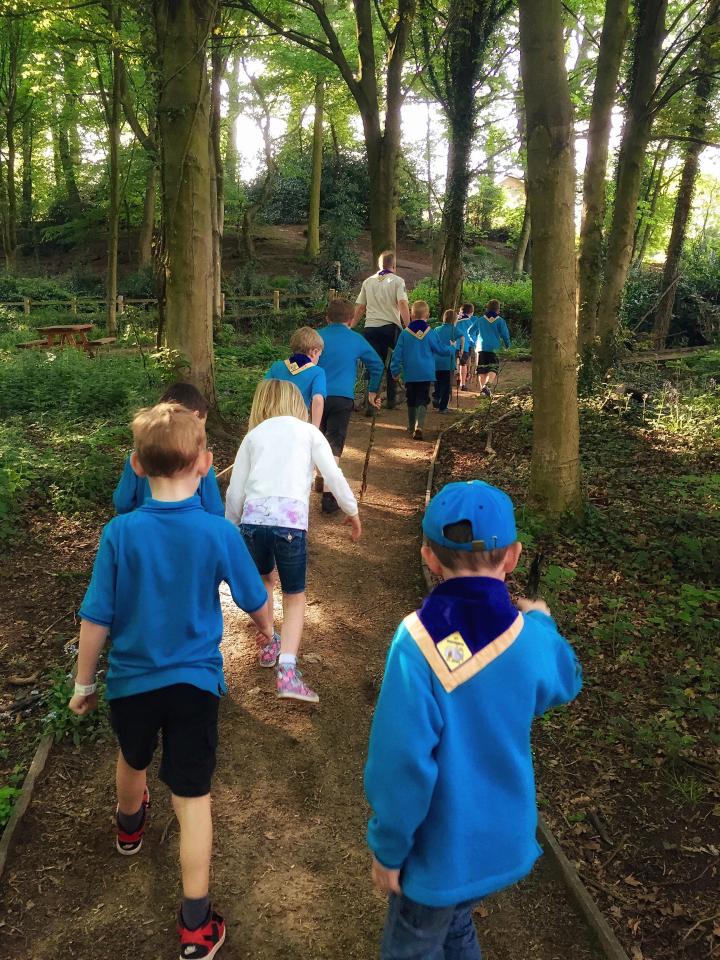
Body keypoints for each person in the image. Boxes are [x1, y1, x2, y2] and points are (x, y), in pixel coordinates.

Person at [69, 403, 274, 960]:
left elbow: (97, 617)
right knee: (192, 796)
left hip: (131, 682)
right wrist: (266, 630)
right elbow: (255, 598)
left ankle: (129, 827)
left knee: (132, 758)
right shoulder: (216, 531)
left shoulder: (120, 533)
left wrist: (84, 682)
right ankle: (195, 924)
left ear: (136, 465)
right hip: (194, 686)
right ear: (206, 464)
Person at [364, 479, 583, 960]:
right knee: (455, 919)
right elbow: (566, 679)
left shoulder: (417, 641)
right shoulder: (529, 639)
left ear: (430, 557)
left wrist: (389, 847)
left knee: (413, 944)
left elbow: (400, 762)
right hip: (502, 841)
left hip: (439, 856)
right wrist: (543, 622)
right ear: (513, 557)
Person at [225, 379, 361, 704]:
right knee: (295, 595)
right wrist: (351, 509)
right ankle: (287, 670)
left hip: (253, 523)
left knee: (264, 581)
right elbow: (333, 474)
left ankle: (269, 639)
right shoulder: (309, 432)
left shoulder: (253, 436)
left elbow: (235, 491)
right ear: (296, 404)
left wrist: (230, 528)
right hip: (289, 524)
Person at [112, 382, 224, 516]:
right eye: (200, 428)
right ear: (194, 415)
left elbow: (122, 503)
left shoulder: (141, 456)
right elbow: (214, 508)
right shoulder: (198, 459)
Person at [316, 298, 385, 514]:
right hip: (342, 398)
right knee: (334, 442)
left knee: (317, 438)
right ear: (351, 319)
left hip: (315, 396)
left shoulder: (316, 337)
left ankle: (320, 476)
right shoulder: (356, 339)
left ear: (327, 318)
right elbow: (377, 364)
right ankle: (329, 493)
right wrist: (372, 391)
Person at [353, 250, 410, 414]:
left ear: (379, 265)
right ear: (394, 265)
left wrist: (350, 326)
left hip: (370, 328)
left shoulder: (368, 281)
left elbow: (361, 307)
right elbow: (402, 304)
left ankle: (371, 403)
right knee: (393, 362)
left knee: (373, 365)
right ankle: (392, 399)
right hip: (390, 328)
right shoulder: (398, 281)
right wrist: (408, 327)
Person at [389, 300, 455, 441]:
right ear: (427, 315)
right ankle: (420, 425)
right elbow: (440, 349)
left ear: (412, 315)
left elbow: (397, 354)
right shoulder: (430, 333)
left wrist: (395, 370)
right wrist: (452, 348)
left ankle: (411, 426)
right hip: (426, 373)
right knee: (423, 398)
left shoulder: (405, 334)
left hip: (410, 373)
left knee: (411, 398)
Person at [264, 326, 326, 426]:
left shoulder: (276, 366)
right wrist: (315, 430)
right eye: (319, 355)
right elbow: (318, 400)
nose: (318, 358)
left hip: (274, 421)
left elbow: (263, 391)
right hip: (299, 423)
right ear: (314, 351)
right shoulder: (317, 372)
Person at [475, 299, 511, 397]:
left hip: (481, 347)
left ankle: (483, 391)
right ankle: (487, 386)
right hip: (494, 348)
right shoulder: (500, 320)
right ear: (498, 310)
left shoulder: (480, 319)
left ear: (487, 308)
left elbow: (470, 331)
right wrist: (508, 346)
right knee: (493, 368)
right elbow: (505, 335)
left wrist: (474, 341)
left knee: (482, 370)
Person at [432, 309, 459, 415]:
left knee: (437, 383)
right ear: (454, 320)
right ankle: (443, 407)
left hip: (436, 362)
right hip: (448, 363)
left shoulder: (436, 329)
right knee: (446, 385)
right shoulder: (454, 329)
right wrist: (457, 347)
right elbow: (462, 337)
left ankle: (436, 397)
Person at [456, 303, 479, 389]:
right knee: (463, 363)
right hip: (465, 346)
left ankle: (456, 378)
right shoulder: (470, 322)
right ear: (471, 313)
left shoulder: (455, 320)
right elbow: (472, 335)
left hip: (453, 346)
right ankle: (462, 383)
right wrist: (475, 344)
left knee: (455, 361)